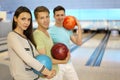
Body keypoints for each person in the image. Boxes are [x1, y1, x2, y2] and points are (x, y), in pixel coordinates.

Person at [7, 6, 56, 80]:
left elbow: (37, 57)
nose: (26, 22)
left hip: (35, 77)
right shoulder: (12, 36)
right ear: (15, 19)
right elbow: (28, 59)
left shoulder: (27, 38)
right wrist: (47, 72)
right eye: (23, 19)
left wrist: (47, 72)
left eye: (29, 20)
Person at [33, 6, 70, 80]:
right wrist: (64, 61)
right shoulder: (37, 35)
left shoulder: (47, 32)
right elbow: (44, 60)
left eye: (47, 17)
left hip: (55, 72)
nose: (46, 20)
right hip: (48, 76)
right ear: (36, 20)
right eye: (42, 18)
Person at [48, 5, 82, 80]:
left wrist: (79, 26)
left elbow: (78, 43)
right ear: (54, 16)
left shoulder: (68, 29)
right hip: (58, 65)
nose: (60, 17)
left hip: (68, 63)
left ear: (65, 15)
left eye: (62, 15)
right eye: (57, 15)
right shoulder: (50, 32)